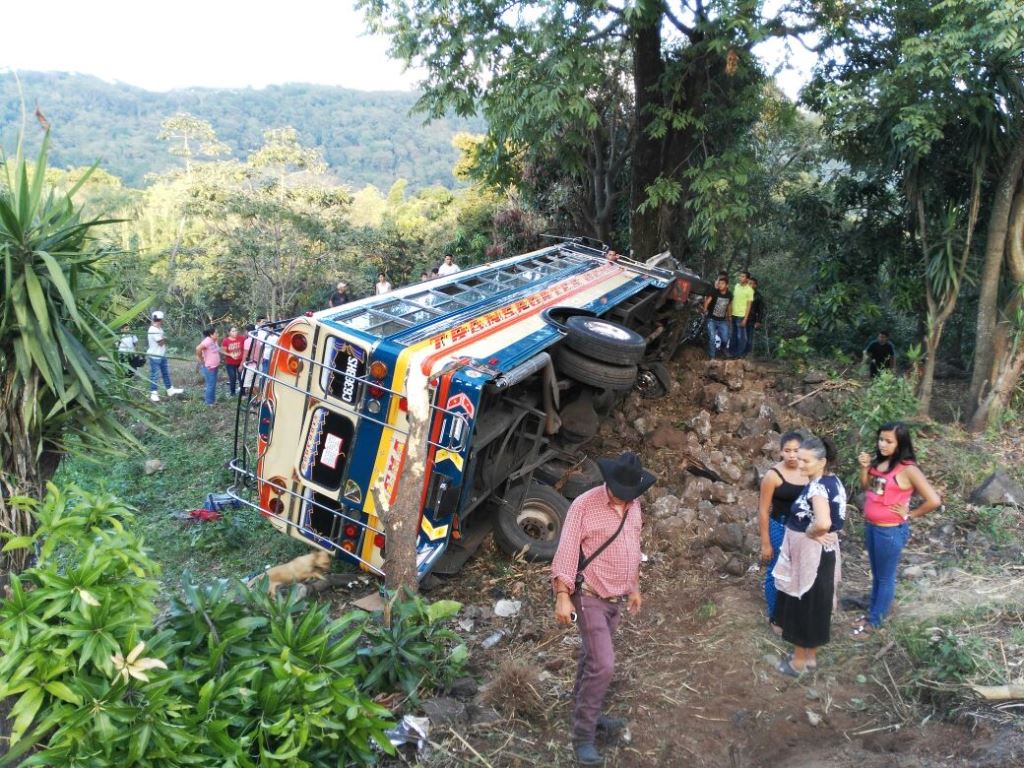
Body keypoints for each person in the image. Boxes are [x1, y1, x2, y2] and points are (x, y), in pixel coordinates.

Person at [551, 451, 655, 766]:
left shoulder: (634, 505)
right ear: (608, 481)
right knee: (605, 664)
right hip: (589, 595)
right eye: (619, 493)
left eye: (629, 495)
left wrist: (634, 587)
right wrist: (562, 594)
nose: (624, 499)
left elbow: (632, 546)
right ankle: (583, 737)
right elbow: (567, 550)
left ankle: (589, 714)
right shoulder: (583, 505)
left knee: (591, 659)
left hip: (615, 598)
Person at [854, 422, 941, 636]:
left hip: (890, 531)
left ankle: (875, 623)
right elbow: (867, 488)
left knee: (885, 577)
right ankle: (873, 613)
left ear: (900, 443)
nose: (882, 444)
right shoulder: (880, 464)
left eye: (888, 441)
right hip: (872, 527)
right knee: (877, 574)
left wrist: (910, 514)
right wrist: (864, 468)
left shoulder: (908, 469)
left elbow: (934, 500)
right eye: (881, 439)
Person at [772, 437, 846, 676]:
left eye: (806, 460)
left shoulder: (817, 487)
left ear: (822, 461)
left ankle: (798, 663)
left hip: (811, 556)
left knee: (802, 602)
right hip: (824, 555)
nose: (800, 463)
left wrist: (811, 532)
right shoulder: (832, 480)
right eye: (799, 458)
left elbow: (823, 521)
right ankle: (811, 659)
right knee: (816, 604)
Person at [758, 432, 808, 633]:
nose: (792, 455)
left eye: (796, 450)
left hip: (804, 530)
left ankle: (795, 612)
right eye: (787, 451)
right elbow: (763, 509)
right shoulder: (773, 476)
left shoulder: (808, 471)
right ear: (780, 452)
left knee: (799, 571)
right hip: (779, 527)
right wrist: (765, 542)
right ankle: (775, 617)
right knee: (775, 571)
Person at [146, 311, 183, 402]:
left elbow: (161, 341)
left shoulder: (159, 329)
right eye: (158, 320)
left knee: (165, 373)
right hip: (155, 356)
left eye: (158, 320)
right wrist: (165, 339)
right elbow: (161, 343)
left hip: (161, 355)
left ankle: (170, 390)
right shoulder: (153, 329)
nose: (158, 321)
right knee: (155, 375)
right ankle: (153, 393)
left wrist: (163, 339)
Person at [703, 276, 732, 359]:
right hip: (711, 319)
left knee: (725, 339)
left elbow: (729, 305)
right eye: (719, 283)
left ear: (727, 285)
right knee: (712, 338)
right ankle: (712, 357)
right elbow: (708, 301)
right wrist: (705, 310)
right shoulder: (714, 292)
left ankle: (722, 349)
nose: (720, 285)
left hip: (722, 320)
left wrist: (729, 316)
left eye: (722, 283)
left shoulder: (729, 295)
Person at [728, 270, 755, 358]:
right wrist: (730, 313)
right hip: (734, 314)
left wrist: (745, 319)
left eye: (743, 276)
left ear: (747, 279)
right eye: (740, 276)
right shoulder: (737, 286)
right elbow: (733, 300)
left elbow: (749, 306)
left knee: (742, 337)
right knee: (733, 335)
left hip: (741, 316)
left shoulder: (750, 290)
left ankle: (739, 354)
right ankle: (731, 353)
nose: (741, 278)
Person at [196, 327, 221, 406]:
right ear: (211, 334)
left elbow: (217, 350)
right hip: (209, 366)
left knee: (212, 384)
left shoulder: (214, 340)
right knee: (210, 384)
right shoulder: (207, 341)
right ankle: (209, 402)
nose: (218, 334)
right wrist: (201, 358)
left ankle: (212, 400)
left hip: (215, 366)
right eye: (216, 333)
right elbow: (198, 348)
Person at [220, 326, 245, 397]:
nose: (235, 332)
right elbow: (222, 351)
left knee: (242, 377)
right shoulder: (226, 340)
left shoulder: (241, 338)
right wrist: (230, 354)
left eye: (236, 330)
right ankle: (232, 393)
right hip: (230, 363)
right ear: (229, 332)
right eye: (233, 331)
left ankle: (243, 393)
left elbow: (245, 350)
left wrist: (243, 361)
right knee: (232, 378)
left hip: (240, 361)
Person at [745, 277, 765, 357]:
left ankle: (747, 355)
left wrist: (759, 321)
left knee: (749, 339)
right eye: (748, 283)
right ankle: (739, 354)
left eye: (751, 283)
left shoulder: (758, 296)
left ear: (755, 285)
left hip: (751, 320)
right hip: (741, 318)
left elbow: (761, 310)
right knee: (740, 338)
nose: (749, 285)